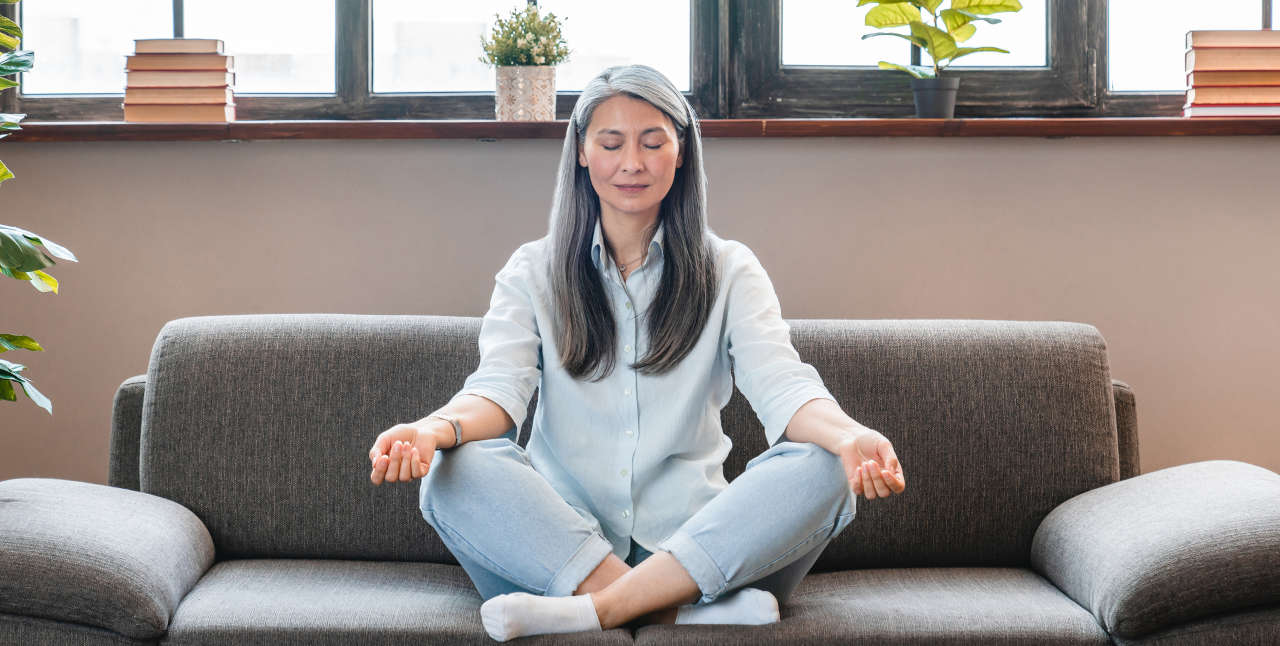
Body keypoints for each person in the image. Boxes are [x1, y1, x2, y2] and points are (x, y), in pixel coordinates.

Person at [367, 64, 906, 642]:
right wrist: (434, 428)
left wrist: (849, 436)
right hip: (557, 548)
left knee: (823, 463)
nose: (632, 163)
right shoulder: (532, 270)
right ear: (581, 152)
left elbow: (784, 385)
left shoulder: (729, 269)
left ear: (681, 153)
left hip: (701, 549)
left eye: (653, 143)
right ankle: (669, 609)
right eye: (611, 143)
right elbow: (498, 392)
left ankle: (593, 611)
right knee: (458, 466)